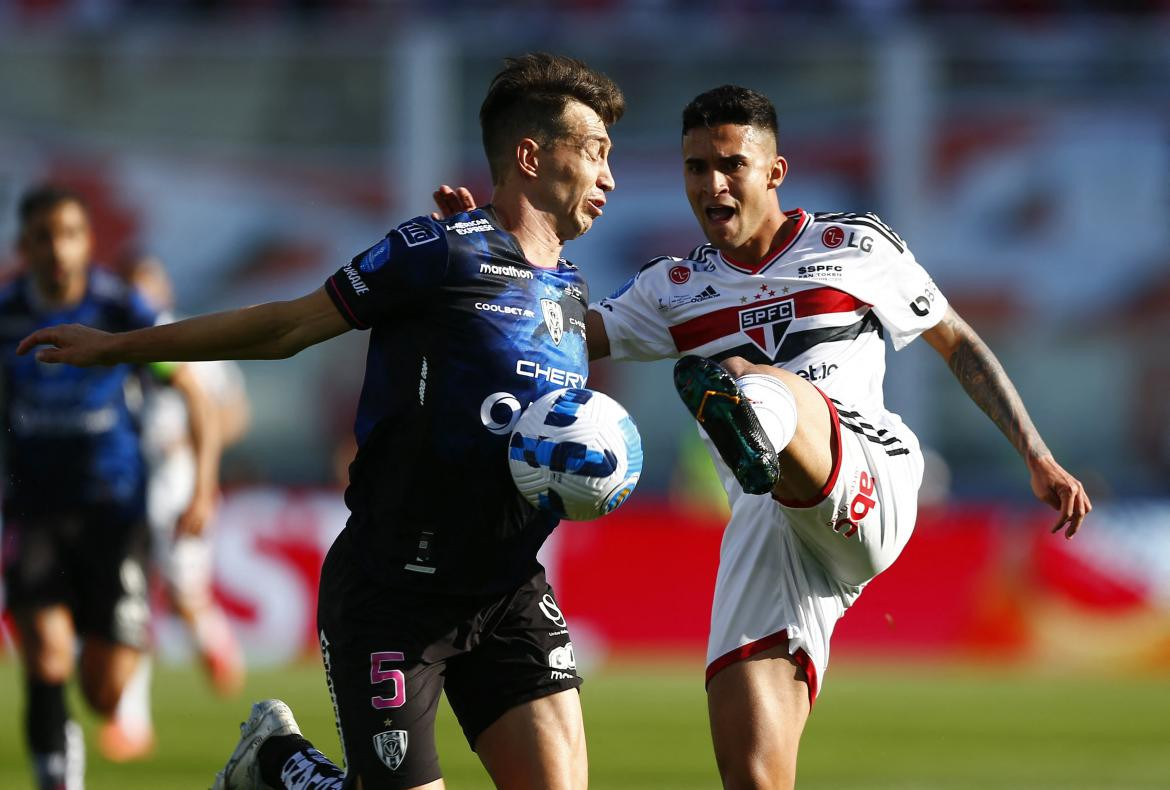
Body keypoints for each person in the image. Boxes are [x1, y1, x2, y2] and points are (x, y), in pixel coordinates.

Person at [435, 84, 1092, 789]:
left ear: (773, 173)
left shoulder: (854, 245)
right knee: (751, 768)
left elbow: (956, 342)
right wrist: (492, 256)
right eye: (694, 168)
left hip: (869, 466)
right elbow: (550, 334)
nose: (711, 183)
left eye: (729, 165)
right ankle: (745, 420)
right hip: (770, 524)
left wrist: (1036, 454)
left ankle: (745, 412)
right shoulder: (673, 287)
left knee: (760, 381)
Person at [19, 52, 624, 790]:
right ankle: (279, 762)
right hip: (393, 593)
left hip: (507, 591)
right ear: (530, 155)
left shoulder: (566, 287)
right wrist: (119, 348)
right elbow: (284, 328)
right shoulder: (436, 251)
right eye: (594, 153)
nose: (609, 177)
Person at [0, 185, 220, 788]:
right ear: (25, 244)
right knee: (44, 656)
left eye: (68, 234)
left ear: (87, 241)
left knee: (103, 693)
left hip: (114, 511)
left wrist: (202, 487)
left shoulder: (121, 309)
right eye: (42, 236)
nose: (56, 249)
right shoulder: (5, 313)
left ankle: (105, 633)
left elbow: (193, 395)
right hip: (33, 508)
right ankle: (57, 773)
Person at [98, 253, 248, 763]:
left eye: (149, 284)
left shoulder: (191, 338)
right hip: (124, 478)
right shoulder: (113, 339)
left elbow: (232, 413)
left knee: (183, 591)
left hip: (179, 478)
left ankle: (211, 636)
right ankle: (130, 722)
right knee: (129, 598)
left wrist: (192, 451)